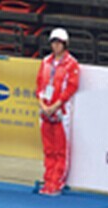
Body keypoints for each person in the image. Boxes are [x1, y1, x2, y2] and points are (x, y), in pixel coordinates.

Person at [36, 28, 80, 196]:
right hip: (45, 111)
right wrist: (43, 105)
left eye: (59, 43)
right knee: (48, 149)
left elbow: (71, 87)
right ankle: (48, 180)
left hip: (61, 111)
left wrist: (55, 106)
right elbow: (39, 85)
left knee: (60, 149)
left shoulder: (71, 64)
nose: (56, 46)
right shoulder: (46, 62)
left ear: (65, 44)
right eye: (54, 42)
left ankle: (57, 182)